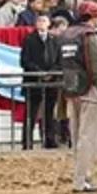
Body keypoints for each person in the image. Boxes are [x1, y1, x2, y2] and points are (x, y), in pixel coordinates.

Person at [58, 1, 97, 193]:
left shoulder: (66, 34)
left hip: (71, 89)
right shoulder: (91, 36)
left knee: (77, 134)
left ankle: (81, 177)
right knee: (89, 136)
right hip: (90, 90)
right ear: (93, 17)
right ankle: (81, 180)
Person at [21, 15, 60, 149]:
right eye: (39, 21)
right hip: (33, 81)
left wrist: (51, 73)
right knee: (31, 113)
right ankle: (27, 141)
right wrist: (39, 73)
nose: (41, 23)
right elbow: (25, 60)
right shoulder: (29, 39)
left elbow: (59, 60)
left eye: (44, 21)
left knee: (50, 112)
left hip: (52, 82)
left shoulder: (55, 40)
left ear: (49, 24)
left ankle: (50, 139)